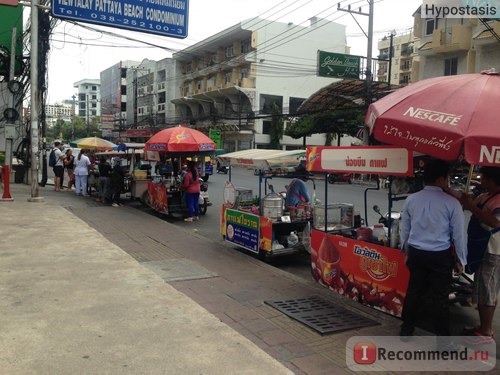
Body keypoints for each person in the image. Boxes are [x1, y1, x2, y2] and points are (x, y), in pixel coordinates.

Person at [399, 158, 467, 341]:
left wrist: (406, 252)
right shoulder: (451, 203)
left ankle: (406, 330)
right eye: (447, 178)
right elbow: (459, 235)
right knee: (440, 298)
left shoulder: (411, 200)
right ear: (441, 179)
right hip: (440, 256)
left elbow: (404, 230)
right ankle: (443, 342)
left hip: (416, 253)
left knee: (414, 291)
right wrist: (461, 260)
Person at [461, 166, 500, 344]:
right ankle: (482, 327)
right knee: (481, 289)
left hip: (494, 251)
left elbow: (494, 222)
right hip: (481, 249)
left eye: (483, 178)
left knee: (488, 290)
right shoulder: (485, 196)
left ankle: (486, 331)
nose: (481, 181)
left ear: (492, 180)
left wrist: (471, 207)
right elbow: (468, 205)